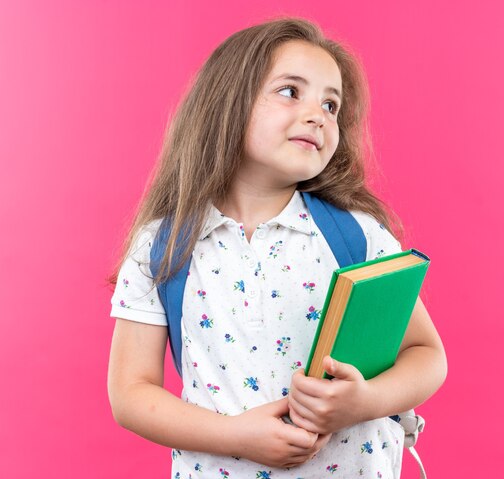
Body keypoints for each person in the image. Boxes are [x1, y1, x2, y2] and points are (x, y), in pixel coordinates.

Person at [107, 17, 447, 479]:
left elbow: (427, 356)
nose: (318, 115)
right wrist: (236, 436)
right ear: (227, 103)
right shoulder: (161, 248)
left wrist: (364, 402)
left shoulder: (359, 236)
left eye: (331, 104)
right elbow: (130, 392)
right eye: (291, 91)